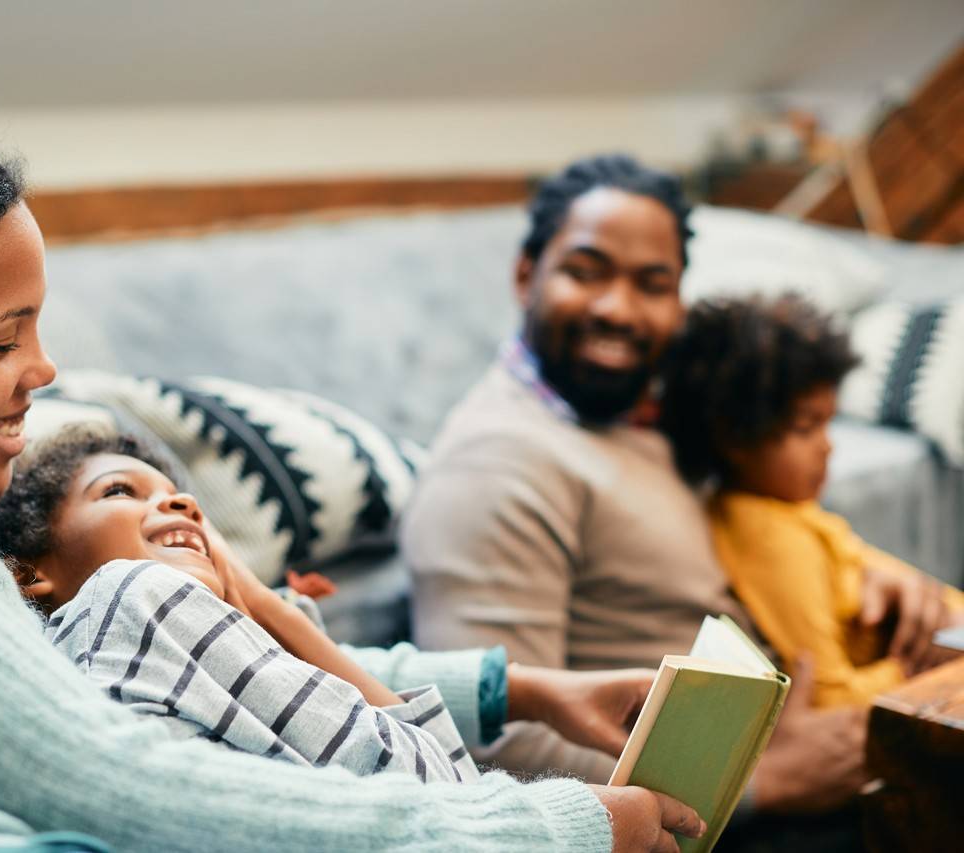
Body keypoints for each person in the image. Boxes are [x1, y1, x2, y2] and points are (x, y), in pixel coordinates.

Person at [0, 4, 702, 851]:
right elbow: (103, 778)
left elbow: (123, 665)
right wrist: (546, 828)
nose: (42, 372)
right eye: (2, 343)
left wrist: (521, 691)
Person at [401, 154, 961, 821]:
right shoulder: (497, 465)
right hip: (727, 821)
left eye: (651, 283)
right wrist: (762, 785)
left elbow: (755, 520)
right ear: (527, 275)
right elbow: (486, 742)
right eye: (586, 272)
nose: (617, 308)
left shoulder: (649, 414)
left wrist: (876, 574)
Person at [0, 423, 478, 783]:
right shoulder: (136, 594)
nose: (183, 505)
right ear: (28, 573)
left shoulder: (87, 655)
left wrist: (255, 603)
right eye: (119, 491)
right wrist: (258, 599)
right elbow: (441, 783)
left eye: (180, 498)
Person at [660, 294, 964, 708]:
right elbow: (828, 696)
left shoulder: (788, 507)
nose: (827, 447)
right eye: (806, 428)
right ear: (733, 436)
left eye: (828, 423)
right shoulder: (767, 535)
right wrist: (918, 663)